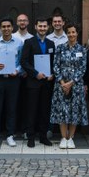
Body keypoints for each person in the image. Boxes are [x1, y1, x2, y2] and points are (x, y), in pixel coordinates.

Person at [50, 23, 88, 148]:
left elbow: (82, 69)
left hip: (76, 86)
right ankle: (63, 137)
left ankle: (70, 137)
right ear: (66, 34)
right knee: (62, 111)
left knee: (74, 111)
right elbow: (55, 66)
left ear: (77, 33)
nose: (71, 34)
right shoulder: (60, 48)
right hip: (60, 86)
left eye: (73, 32)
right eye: (69, 32)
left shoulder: (82, 49)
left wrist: (71, 83)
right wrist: (62, 83)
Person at [19, 17, 55, 147]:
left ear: (47, 28)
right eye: (40, 26)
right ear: (35, 27)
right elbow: (24, 61)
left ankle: (43, 136)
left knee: (45, 110)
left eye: (45, 26)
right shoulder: (29, 42)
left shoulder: (51, 44)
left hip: (47, 82)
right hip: (33, 82)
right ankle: (31, 137)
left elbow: (54, 62)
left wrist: (53, 74)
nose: (42, 29)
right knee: (31, 109)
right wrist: (35, 74)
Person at [0, 17, 23, 147]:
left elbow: (21, 62)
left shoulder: (19, 42)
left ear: (12, 28)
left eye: (8, 26)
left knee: (11, 108)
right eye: (3, 26)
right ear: (0, 28)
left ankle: (10, 135)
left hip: (13, 79)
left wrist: (17, 70)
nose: (6, 29)